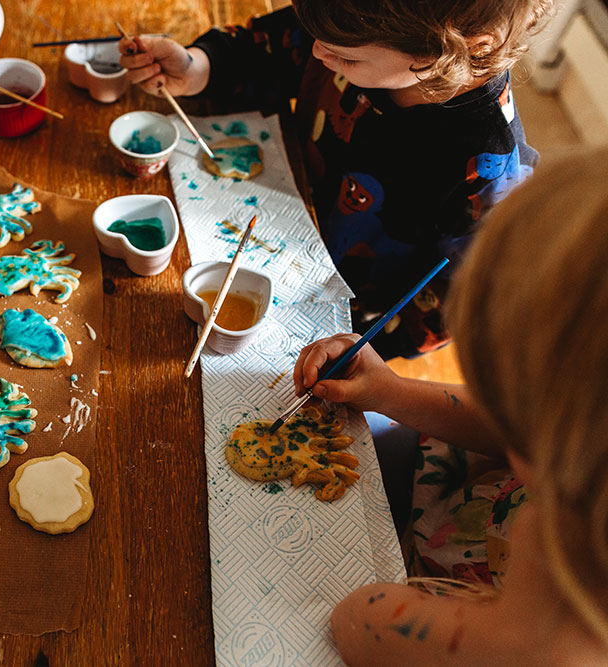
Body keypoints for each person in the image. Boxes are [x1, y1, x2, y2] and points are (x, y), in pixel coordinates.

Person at [292, 146, 608, 663]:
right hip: (455, 494)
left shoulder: (548, 636)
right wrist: (388, 390)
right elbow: (506, 422)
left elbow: (359, 620)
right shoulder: (584, 448)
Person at [119, 0, 553, 359]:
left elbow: (461, 303)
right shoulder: (349, 24)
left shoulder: (489, 167)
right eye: (317, 36)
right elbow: (274, 44)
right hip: (279, 219)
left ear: (451, 52)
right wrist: (201, 67)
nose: (317, 54)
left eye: (345, 58)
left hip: (337, 318)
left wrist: (362, 349)